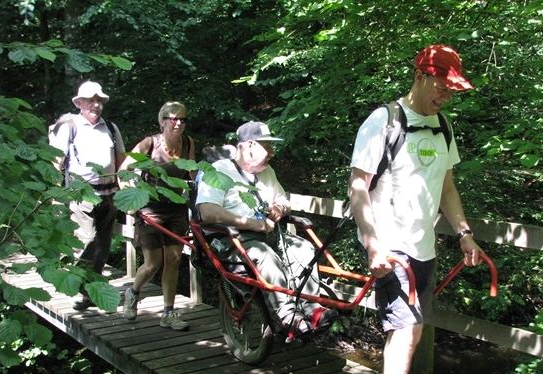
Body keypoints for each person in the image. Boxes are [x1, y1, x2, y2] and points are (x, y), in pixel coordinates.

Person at [348, 45, 483, 374]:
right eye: (443, 87)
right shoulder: (383, 121)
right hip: (389, 246)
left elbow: (445, 185)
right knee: (408, 330)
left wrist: (464, 232)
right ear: (422, 76)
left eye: (452, 90)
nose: (447, 96)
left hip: (424, 247)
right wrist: (372, 245)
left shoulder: (443, 125)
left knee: (411, 328)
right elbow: (357, 189)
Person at [195, 121, 337, 338]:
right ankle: (287, 316)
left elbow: (283, 199)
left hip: (267, 233)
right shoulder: (217, 172)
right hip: (230, 237)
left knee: (304, 249)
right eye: (267, 146)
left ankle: (312, 309)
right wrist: (251, 223)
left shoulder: (267, 171)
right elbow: (207, 211)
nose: (272, 152)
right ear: (250, 145)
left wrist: (280, 207)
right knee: (267, 258)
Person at [119, 101, 196, 331]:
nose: (179, 123)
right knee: (153, 264)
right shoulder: (148, 144)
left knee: (173, 260)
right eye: (173, 118)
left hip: (176, 208)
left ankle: (168, 313)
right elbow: (124, 170)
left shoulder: (188, 143)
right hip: (151, 208)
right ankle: (133, 292)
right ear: (163, 122)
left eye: (183, 119)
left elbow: (192, 173)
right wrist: (131, 200)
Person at [50, 81, 125, 310]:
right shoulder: (70, 127)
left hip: (109, 193)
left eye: (99, 101)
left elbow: (121, 159)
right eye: (91, 101)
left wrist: (127, 185)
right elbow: (57, 160)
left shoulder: (111, 128)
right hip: (81, 194)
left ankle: (93, 287)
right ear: (79, 103)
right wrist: (55, 191)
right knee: (87, 239)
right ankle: (78, 288)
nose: (96, 105)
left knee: (103, 242)